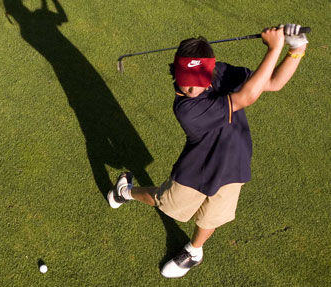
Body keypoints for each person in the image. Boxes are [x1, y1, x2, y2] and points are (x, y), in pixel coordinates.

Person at [107, 24, 308, 278]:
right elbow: (246, 98)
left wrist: (296, 48)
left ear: (209, 71)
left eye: (200, 82)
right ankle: (125, 191)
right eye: (187, 82)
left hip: (234, 164)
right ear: (176, 73)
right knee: (165, 201)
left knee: (210, 218)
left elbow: (273, 83)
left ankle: (194, 251)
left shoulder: (219, 72)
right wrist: (275, 47)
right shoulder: (186, 109)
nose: (194, 89)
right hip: (197, 169)